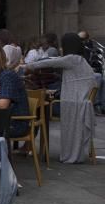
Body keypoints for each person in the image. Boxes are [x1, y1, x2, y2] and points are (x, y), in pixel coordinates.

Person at [20, 32, 97, 163]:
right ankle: (28, 145)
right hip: (80, 104)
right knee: (40, 106)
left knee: (38, 108)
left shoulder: (72, 59)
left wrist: (27, 66)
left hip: (72, 105)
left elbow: (51, 63)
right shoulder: (81, 60)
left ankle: (30, 144)